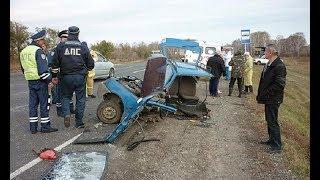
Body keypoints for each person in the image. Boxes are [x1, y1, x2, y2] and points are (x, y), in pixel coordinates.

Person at [51, 26, 94, 128]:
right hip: (80, 77)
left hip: (65, 77)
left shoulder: (61, 46)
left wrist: (54, 76)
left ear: (69, 34)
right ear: (78, 34)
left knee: (65, 97)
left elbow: (54, 64)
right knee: (80, 99)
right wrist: (85, 70)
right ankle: (79, 122)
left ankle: (66, 114)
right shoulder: (83, 47)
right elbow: (91, 64)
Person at [19, 30, 58, 134]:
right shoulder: (38, 51)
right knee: (44, 104)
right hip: (40, 82)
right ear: (39, 40)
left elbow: (23, 68)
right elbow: (43, 70)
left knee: (33, 105)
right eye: (43, 40)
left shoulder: (24, 51)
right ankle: (45, 127)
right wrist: (50, 80)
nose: (43, 42)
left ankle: (33, 128)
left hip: (30, 81)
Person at [256, 44, 286, 153]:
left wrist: (267, 93)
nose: (264, 53)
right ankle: (271, 139)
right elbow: (264, 81)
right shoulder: (269, 63)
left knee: (273, 120)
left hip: (273, 98)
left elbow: (280, 84)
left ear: (270, 52)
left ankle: (277, 145)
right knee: (269, 119)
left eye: (265, 52)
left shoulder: (279, 65)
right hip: (268, 98)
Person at [47, 30, 75, 117]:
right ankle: (60, 111)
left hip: (68, 75)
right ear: (60, 38)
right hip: (58, 75)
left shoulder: (70, 49)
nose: (66, 39)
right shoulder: (55, 50)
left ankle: (70, 108)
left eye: (67, 37)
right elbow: (51, 64)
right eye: (64, 37)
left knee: (69, 92)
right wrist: (54, 76)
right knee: (59, 93)